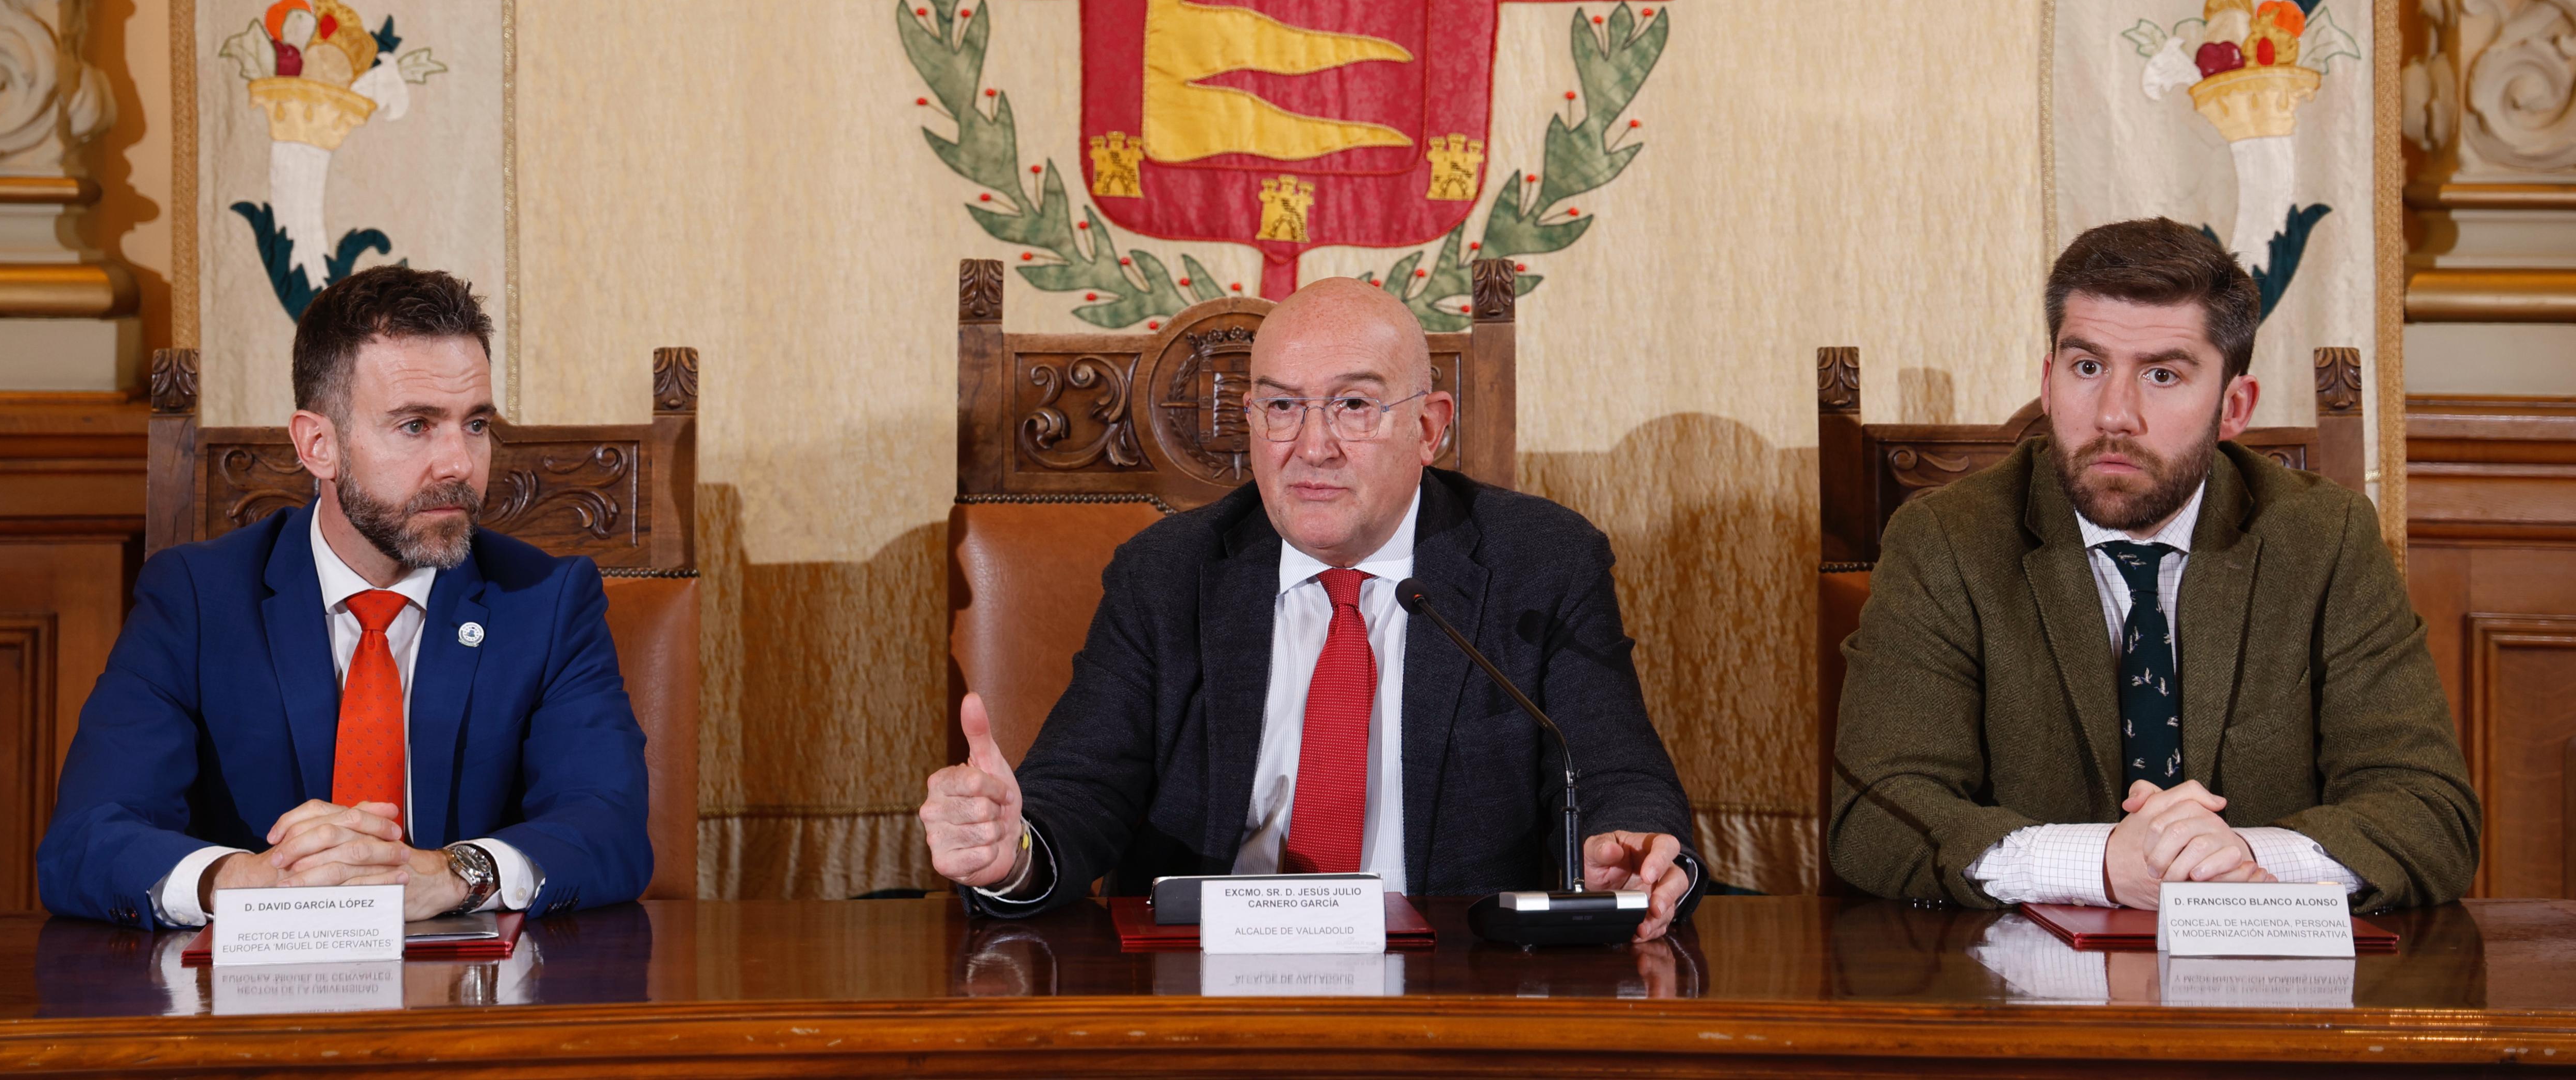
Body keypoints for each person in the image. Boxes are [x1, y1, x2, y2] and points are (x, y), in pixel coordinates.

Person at [918, 276, 1703, 940]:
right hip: (1204, 987)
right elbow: (1080, 789)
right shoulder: (1169, 573)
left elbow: (1613, 771)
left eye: (1354, 404)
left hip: (1455, 987)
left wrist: (1631, 849)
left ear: (1429, 426)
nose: (1313, 445)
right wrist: (1013, 853)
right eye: (1282, 407)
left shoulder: (1539, 563)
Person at [1830, 218, 2478, 912]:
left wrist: (2242, 855)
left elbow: (2430, 812)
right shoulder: (1946, 541)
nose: (2114, 415)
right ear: (2048, 382)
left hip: (2263, 966)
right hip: (2022, 971)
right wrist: (2103, 863)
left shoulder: (2324, 538)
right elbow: (1875, 812)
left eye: (2162, 375)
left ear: (2233, 406)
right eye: (2087, 367)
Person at [37, 267, 651, 928]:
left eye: (475, 423)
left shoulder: (547, 600)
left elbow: (608, 825)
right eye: (415, 425)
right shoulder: (195, 599)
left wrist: (453, 873)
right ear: (318, 444)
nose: (458, 462)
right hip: (254, 982)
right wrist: (243, 879)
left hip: (473, 982)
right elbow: (86, 838)